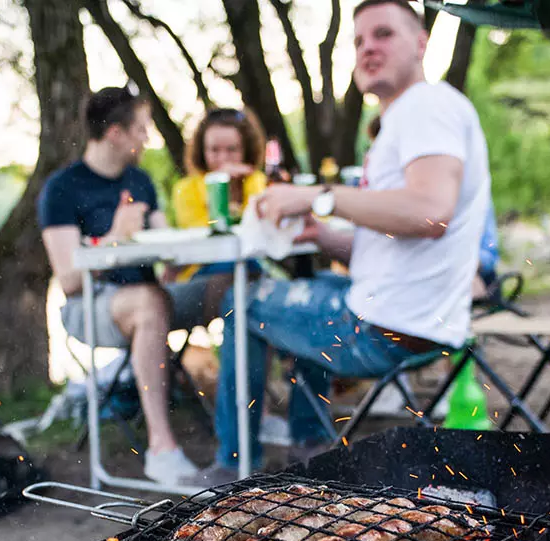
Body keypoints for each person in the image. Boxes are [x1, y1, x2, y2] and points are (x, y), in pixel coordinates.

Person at [196, 0, 492, 484]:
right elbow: (402, 238)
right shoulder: (413, 116)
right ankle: (310, 448)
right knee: (303, 292)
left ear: (421, 43)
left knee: (240, 301)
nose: (367, 48)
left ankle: (235, 465)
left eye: (383, 34)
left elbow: (430, 213)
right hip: (423, 323)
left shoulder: (425, 106)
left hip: (384, 328)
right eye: (358, 41)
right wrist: (325, 236)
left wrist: (320, 196)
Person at [38, 86, 208, 485]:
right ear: (115, 133)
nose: (146, 138)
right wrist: (114, 239)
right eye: (141, 130)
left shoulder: (141, 181)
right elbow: (69, 280)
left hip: (153, 295)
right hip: (89, 306)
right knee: (150, 303)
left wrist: (179, 258)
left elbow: (166, 243)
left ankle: (255, 423)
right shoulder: (62, 189)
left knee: (229, 285)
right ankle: (161, 449)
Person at [172, 107, 269, 229]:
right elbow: (198, 229)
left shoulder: (260, 181)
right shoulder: (186, 189)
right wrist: (219, 184)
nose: (223, 158)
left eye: (232, 149)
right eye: (214, 150)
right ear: (202, 151)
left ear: (246, 151)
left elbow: (262, 222)